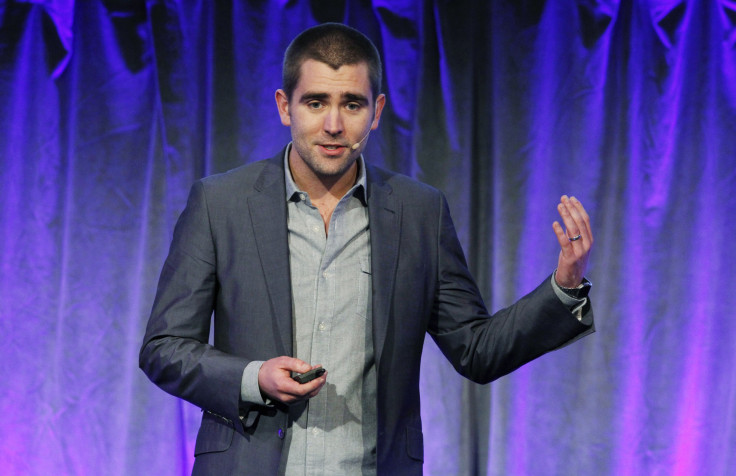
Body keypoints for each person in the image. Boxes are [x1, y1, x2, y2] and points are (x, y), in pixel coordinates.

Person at [139, 22, 594, 475]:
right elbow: (165, 347)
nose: (334, 125)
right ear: (285, 106)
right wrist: (252, 378)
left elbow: (477, 350)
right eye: (315, 102)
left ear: (376, 111)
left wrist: (564, 286)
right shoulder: (221, 203)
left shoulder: (419, 213)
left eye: (351, 104)